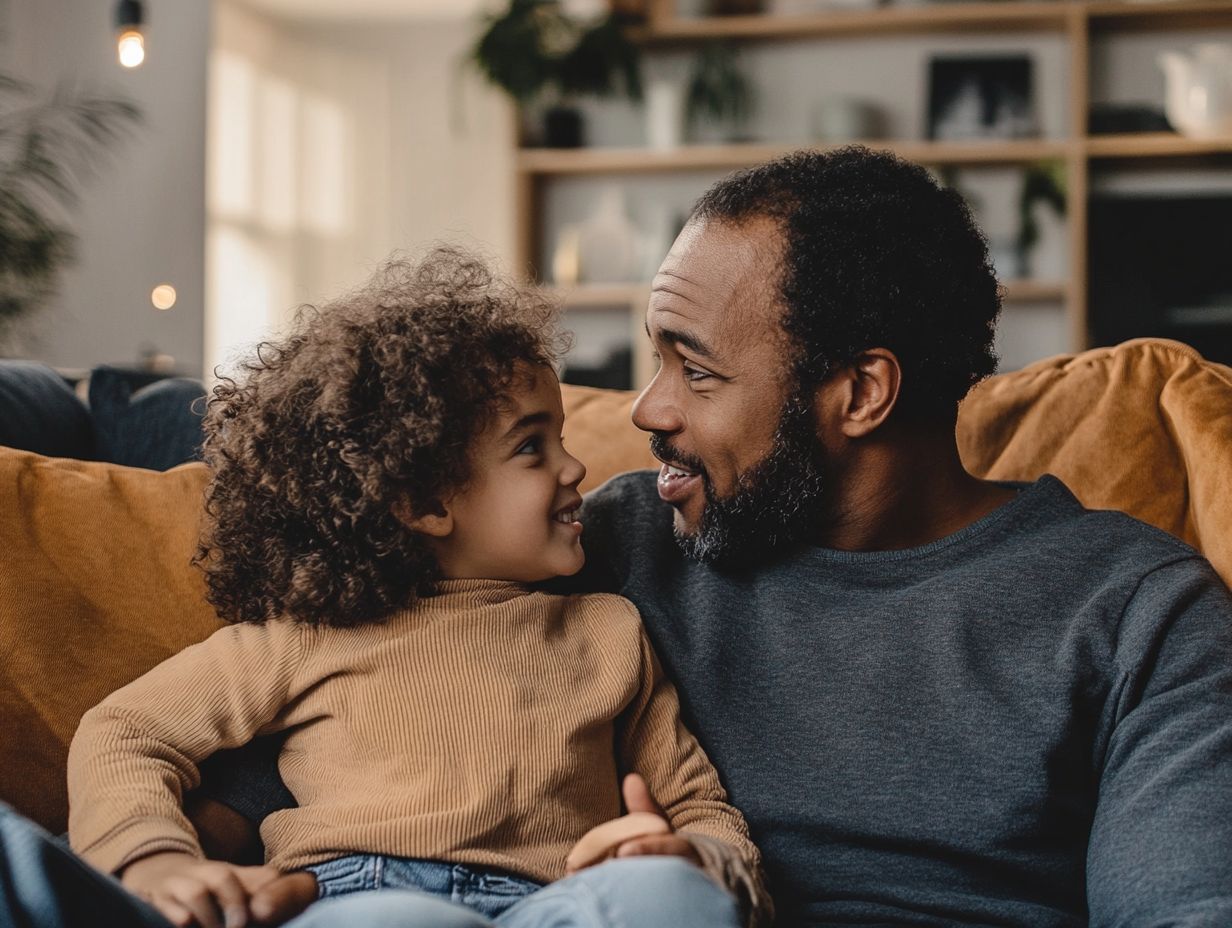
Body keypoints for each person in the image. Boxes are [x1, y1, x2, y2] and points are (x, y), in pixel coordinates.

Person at [196, 146, 1232, 927]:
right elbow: (279, 762)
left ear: (859, 392)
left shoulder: (1135, 610)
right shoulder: (599, 545)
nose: (645, 410)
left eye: (693, 369)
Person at [57, 250, 769, 928]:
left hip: (557, 903)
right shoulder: (302, 637)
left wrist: (696, 859)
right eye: (532, 447)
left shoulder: (609, 631)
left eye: (561, 439)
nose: (575, 467)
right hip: (359, 897)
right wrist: (150, 858)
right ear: (424, 502)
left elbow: (697, 803)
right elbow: (126, 731)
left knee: (669, 898)